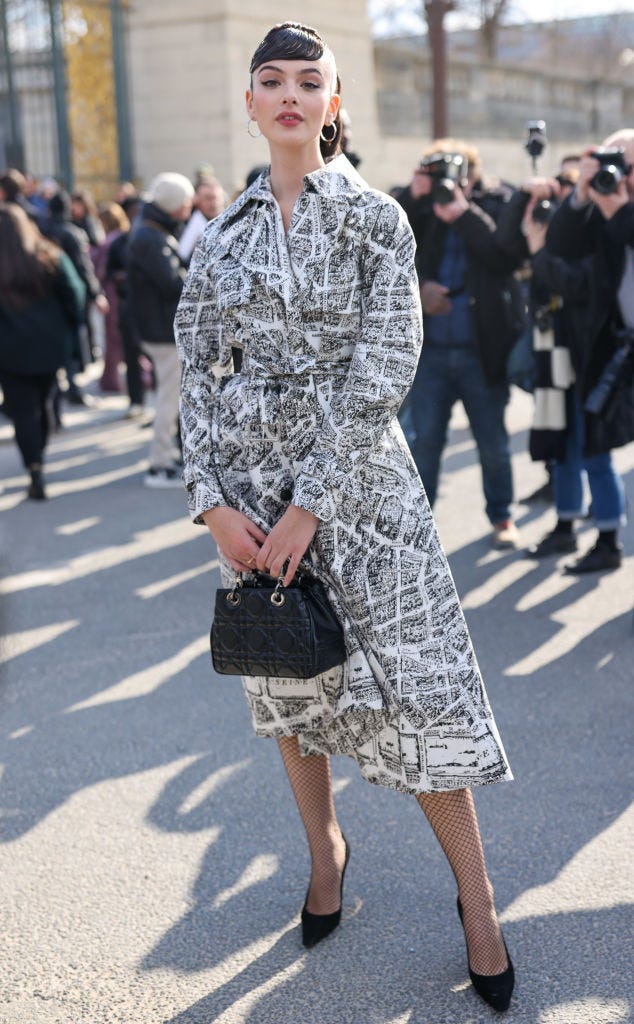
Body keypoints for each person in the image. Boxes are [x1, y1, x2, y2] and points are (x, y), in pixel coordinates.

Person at [175, 22, 515, 1012]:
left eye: (307, 81)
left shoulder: (375, 219)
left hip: (362, 498)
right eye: (268, 79)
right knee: (290, 681)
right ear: (249, 104)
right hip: (246, 498)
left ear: (332, 104)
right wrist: (211, 503)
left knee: (419, 695)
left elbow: (383, 367)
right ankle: (323, 849)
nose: (287, 93)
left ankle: (478, 900)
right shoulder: (223, 231)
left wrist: (311, 501)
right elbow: (196, 372)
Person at [395, 142, 526, 549]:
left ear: (470, 177)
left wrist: (463, 214)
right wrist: (414, 197)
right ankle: (417, 526)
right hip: (430, 351)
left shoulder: (496, 202)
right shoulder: (415, 207)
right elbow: (388, 256)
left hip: (480, 352)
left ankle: (502, 518)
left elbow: (506, 256)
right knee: (424, 443)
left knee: (492, 443)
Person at [526, 129, 633, 572]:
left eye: (624, 165)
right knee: (565, 438)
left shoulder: (620, 212)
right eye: (611, 163)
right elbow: (563, 245)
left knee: (594, 446)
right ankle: (568, 525)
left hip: (609, 346)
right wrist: (581, 197)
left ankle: (608, 537)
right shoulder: (598, 206)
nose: (617, 174)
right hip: (580, 344)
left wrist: (618, 209)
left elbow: (581, 280)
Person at [0, 203, 85, 499]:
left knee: (23, 411)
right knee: (45, 403)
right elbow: (75, 296)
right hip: (49, 346)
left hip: (9, 351)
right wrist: (72, 329)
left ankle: (34, 467)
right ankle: (39, 457)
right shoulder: (50, 255)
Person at [128, 171, 193, 486]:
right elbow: (172, 284)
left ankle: (165, 458)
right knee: (169, 398)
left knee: (168, 396)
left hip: (156, 327)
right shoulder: (151, 237)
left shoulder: (150, 232)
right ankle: (160, 462)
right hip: (161, 331)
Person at [94, 202, 131, 393]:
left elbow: (102, 269)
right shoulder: (122, 237)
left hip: (112, 291)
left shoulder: (110, 241)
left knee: (113, 336)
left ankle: (112, 379)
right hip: (116, 291)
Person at [177, 177, 225, 264]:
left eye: (216, 198)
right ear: (197, 200)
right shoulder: (184, 223)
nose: (213, 203)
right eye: (208, 198)